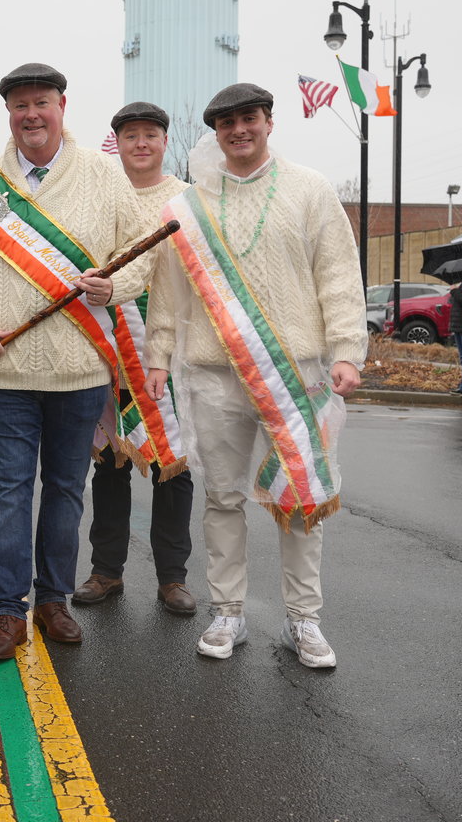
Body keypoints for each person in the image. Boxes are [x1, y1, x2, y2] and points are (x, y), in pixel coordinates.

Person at [144, 83, 367, 669]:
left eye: (249, 118)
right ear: (214, 133)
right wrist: (158, 357)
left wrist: (348, 349)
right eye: (226, 123)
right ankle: (228, 611)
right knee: (222, 497)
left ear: (270, 122)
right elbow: (167, 294)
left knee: (300, 495)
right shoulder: (187, 208)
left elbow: (339, 277)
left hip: (297, 371)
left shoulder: (311, 190)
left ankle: (304, 619)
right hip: (213, 375)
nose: (239, 130)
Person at [0, 63, 152, 662]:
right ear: (8, 113)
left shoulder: (103, 178)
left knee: (64, 492)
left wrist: (115, 287)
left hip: (81, 373)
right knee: (7, 493)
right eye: (19, 105)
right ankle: (8, 613)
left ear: (62, 105)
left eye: (41, 102)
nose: (31, 114)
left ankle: (53, 600)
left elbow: (139, 255)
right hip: (4, 375)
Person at [72, 101, 197, 616]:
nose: (140, 143)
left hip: (168, 347)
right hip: (109, 342)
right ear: (117, 143)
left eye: (150, 134)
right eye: (130, 136)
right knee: (110, 461)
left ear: (165, 142)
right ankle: (107, 571)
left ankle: (173, 578)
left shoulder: (189, 200)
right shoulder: (101, 194)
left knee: (171, 464)